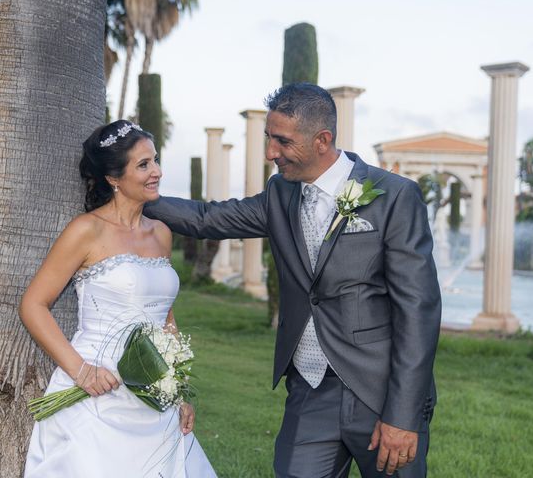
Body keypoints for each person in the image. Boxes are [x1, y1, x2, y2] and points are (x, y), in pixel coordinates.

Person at [144, 83, 441, 477]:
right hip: (309, 390)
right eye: (269, 138)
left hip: (380, 391)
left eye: (281, 141)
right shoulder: (279, 194)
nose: (270, 152)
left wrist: (402, 416)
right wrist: (136, 196)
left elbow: (418, 311)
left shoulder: (394, 197)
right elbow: (206, 218)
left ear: (322, 140)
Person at [20, 120, 216, 478]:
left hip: (154, 393)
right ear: (114, 178)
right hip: (98, 391)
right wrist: (82, 371)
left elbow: (165, 316)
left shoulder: (161, 233)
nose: (156, 171)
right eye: (143, 165)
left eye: (155, 160)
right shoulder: (86, 231)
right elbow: (33, 304)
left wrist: (177, 391)